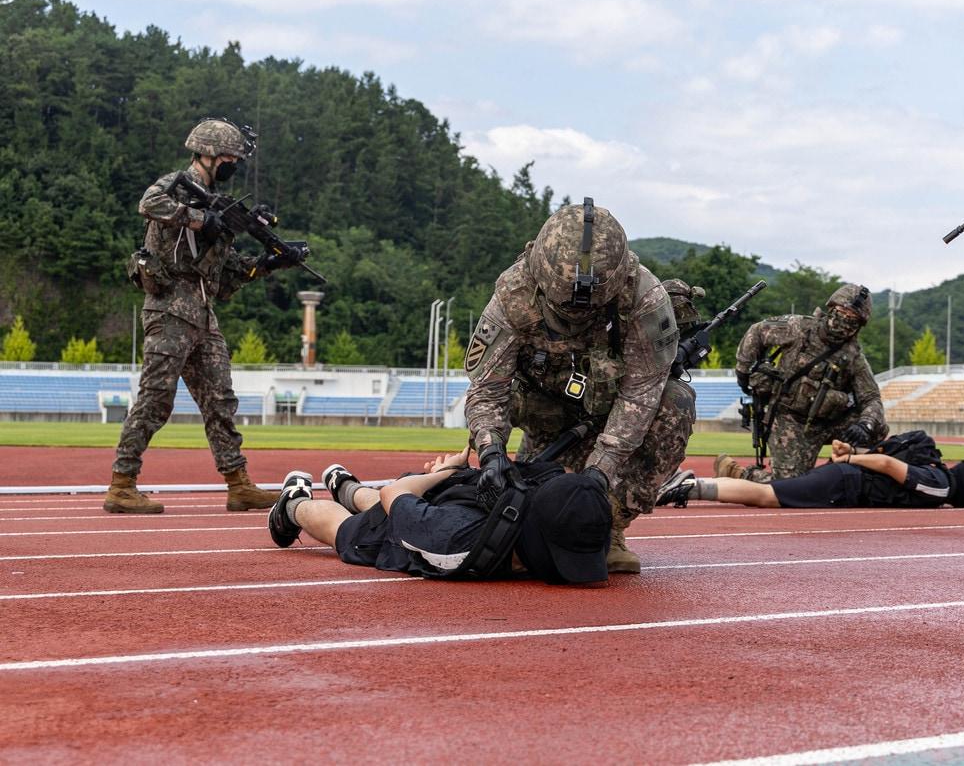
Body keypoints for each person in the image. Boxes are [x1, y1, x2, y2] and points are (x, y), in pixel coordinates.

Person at [462, 198, 695, 575]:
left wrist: (600, 474)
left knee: (676, 401)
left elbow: (641, 393)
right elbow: (488, 389)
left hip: (611, 411)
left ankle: (611, 525)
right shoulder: (514, 294)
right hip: (542, 408)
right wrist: (490, 451)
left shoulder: (645, 300)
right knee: (532, 512)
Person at [105, 119, 304, 514]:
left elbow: (228, 271)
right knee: (156, 399)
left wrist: (271, 262)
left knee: (220, 401)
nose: (233, 165)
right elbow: (149, 203)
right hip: (169, 309)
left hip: (202, 312)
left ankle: (238, 483)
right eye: (229, 158)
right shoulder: (177, 185)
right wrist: (202, 219)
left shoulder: (218, 204)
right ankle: (121, 484)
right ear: (210, 155)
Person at [266, 451, 611, 586]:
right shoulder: (455, 539)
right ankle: (293, 504)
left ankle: (345, 486)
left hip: (448, 500)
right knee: (348, 533)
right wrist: (445, 473)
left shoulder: (572, 503)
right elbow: (394, 494)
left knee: (390, 506)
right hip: (428, 511)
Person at [724, 284, 886, 482]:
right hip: (789, 418)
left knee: (877, 429)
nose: (844, 319)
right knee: (788, 487)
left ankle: (834, 475)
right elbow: (757, 332)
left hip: (829, 422)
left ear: (859, 324)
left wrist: (865, 425)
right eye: (841, 311)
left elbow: (871, 398)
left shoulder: (854, 357)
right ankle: (739, 473)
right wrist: (744, 371)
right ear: (831, 308)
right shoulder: (798, 328)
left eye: (852, 318)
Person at [658, 432, 964, 510]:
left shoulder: (936, 471)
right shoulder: (942, 485)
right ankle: (688, 487)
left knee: (771, 491)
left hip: (847, 481)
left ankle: (692, 485)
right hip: (846, 482)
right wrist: (850, 461)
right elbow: (889, 465)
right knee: (767, 496)